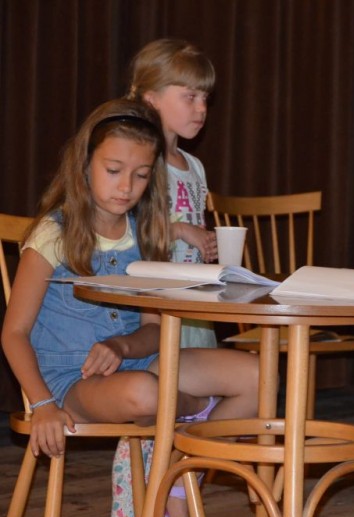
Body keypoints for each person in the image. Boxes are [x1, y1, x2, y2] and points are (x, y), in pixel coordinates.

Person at [0, 99, 259, 517]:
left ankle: (178, 472)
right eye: (114, 170)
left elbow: (154, 330)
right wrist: (42, 403)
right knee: (145, 393)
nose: (126, 187)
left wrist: (121, 345)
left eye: (141, 175)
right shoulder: (54, 233)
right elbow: (14, 332)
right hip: (71, 382)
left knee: (256, 375)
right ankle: (192, 420)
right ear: (85, 165)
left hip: (142, 363)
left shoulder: (146, 233)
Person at [127, 37, 218, 349]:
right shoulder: (139, 164)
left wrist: (206, 243)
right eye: (190, 96)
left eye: (205, 97)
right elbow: (126, 232)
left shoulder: (195, 166)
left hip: (193, 296)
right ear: (152, 98)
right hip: (156, 300)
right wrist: (180, 230)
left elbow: (194, 224)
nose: (202, 108)